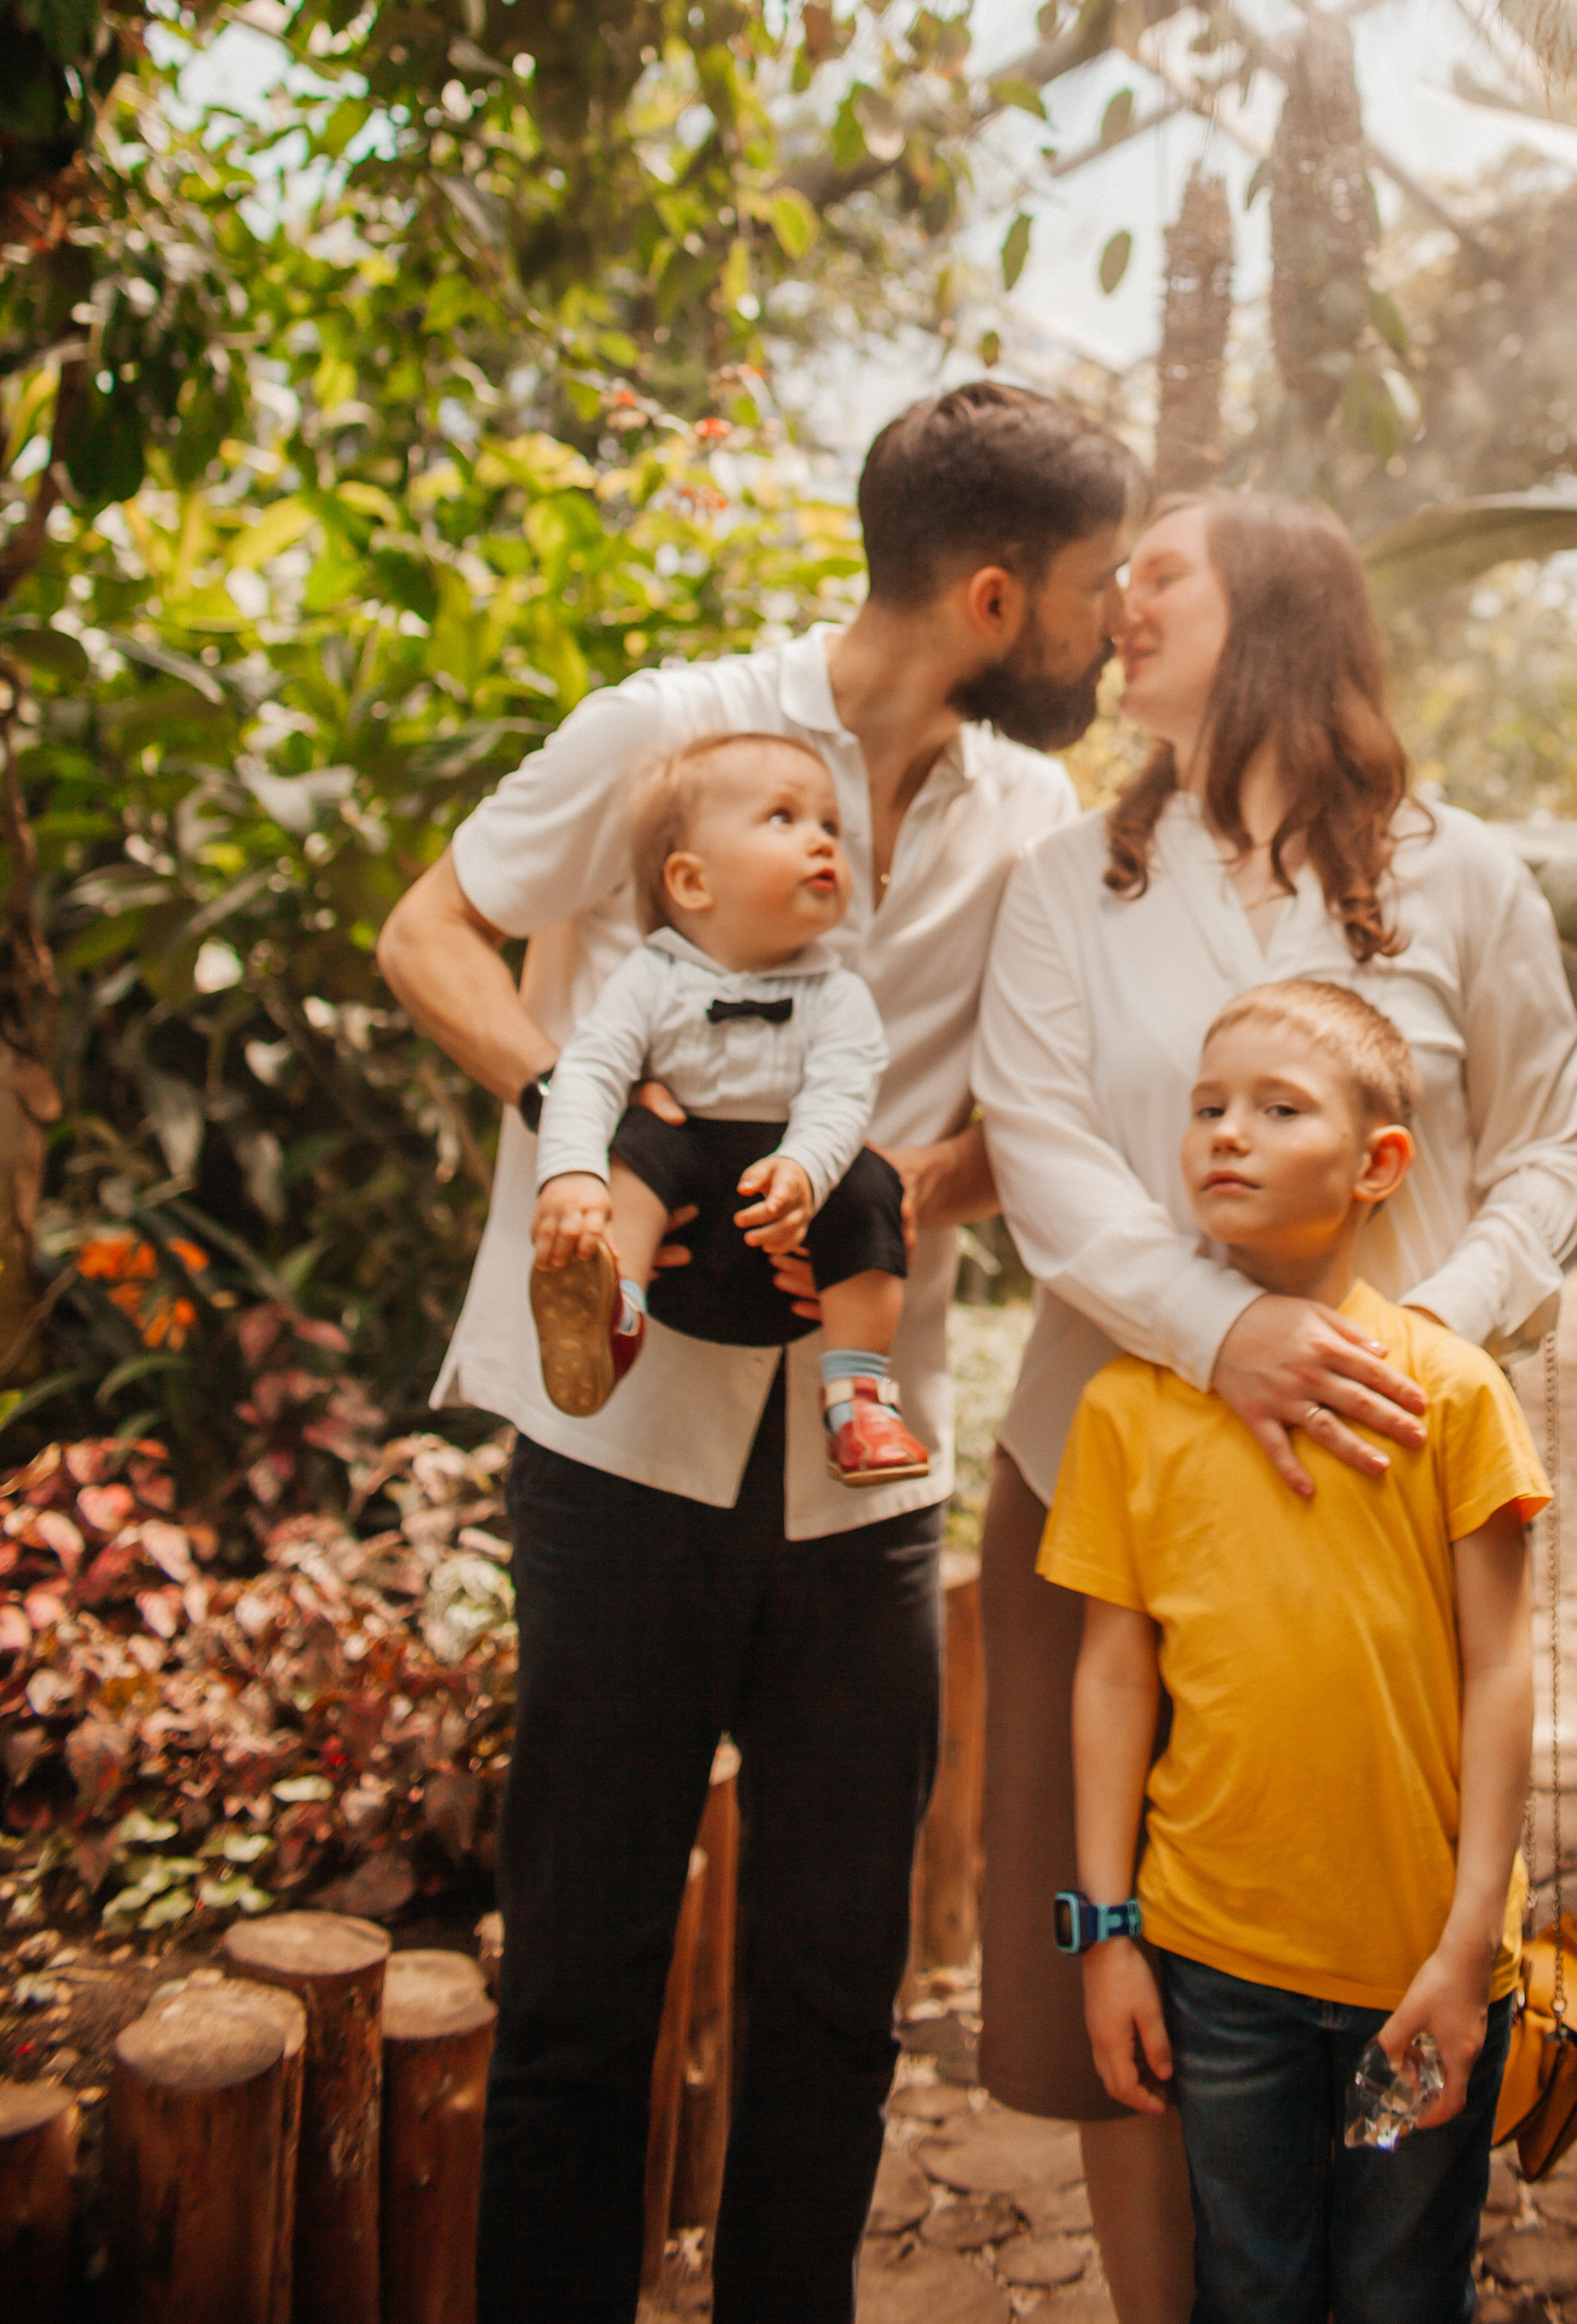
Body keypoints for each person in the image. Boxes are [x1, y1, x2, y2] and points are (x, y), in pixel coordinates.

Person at [374, 380, 1139, 2324]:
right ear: (988, 595)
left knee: (828, 2004)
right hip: (620, 1451)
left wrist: (883, 1178)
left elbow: (1026, 1127)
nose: (1104, 627)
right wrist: (595, 1123)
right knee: (574, 1993)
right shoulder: (663, 733)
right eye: (1085, 592)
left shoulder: (1033, 815)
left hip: (863, 1473)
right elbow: (428, 936)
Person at [971, 490, 1577, 2324]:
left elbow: (1558, 1143)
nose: (1114, 606)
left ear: (1277, 608)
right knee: (1124, 1984)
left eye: (1156, 574)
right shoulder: (1062, 889)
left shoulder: (1458, 874)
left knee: (1390, 1928)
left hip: (1393, 1500)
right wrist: (1216, 1335)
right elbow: (1043, 1156)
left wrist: (1414, 1339)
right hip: (1107, 1479)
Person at [1043, 975, 1547, 2324]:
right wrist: (1107, 1935)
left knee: (1397, 2288)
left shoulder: (1449, 1392)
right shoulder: (1129, 1409)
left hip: (1418, 1977)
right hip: (1219, 1972)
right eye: (1208, 1106)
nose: (1226, 1133)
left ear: (1381, 1162)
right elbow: (1111, 1674)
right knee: (1250, 2285)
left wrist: (1469, 1945)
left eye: (1277, 1107)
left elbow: (1502, 1670)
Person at [530, 728, 928, 1486]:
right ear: (691, 881)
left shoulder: (839, 994)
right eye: (785, 818)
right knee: (636, 1146)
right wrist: (572, 1175)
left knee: (875, 1184)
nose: (821, 841)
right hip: (688, 1175)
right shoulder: (649, 976)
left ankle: (858, 1399)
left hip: (786, 1184)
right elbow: (589, 1068)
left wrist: (806, 1172)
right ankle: (612, 1303)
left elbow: (842, 1094)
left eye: (831, 827)